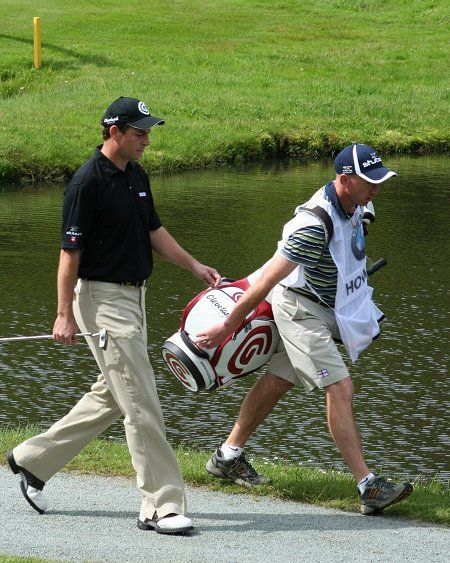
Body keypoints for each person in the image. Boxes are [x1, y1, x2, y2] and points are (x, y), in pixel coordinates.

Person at [7, 96, 220, 535]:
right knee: (141, 402)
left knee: (114, 392)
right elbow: (70, 253)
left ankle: (32, 459)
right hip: (101, 301)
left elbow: (153, 230)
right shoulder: (87, 182)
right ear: (114, 133)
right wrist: (63, 314)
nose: (146, 140)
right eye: (138, 133)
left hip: (134, 298)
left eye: (147, 133)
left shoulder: (136, 176)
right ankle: (160, 505)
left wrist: (195, 266)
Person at [195, 143, 413, 516]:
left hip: (330, 308)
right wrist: (228, 327)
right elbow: (266, 281)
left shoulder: (358, 202)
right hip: (300, 309)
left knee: (281, 378)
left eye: (380, 180)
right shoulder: (312, 225)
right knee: (340, 386)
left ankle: (227, 456)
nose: (376, 189)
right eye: (369, 182)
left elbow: (356, 235)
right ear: (344, 180)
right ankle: (368, 487)